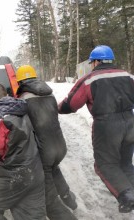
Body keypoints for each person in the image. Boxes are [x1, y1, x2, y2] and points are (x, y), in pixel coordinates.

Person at [58, 45, 134, 213]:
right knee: (125, 162)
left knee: (105, 164)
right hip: (130, 123)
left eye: (92, 62)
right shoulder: (127, 75)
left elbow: (71, 104)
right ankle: (130, 190)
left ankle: (127, 196)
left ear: (97, 62)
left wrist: (56, 108)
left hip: (107, 126)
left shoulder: (90, 79)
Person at [0, 84, 46, 220]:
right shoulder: (24, 110)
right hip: (36, 170)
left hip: (12, 174)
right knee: (32, 215)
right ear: (7, 95)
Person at [15, 65, 78, 220]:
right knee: (54, 169)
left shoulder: (23, 100)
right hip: (60, 147)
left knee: (48, 198)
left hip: (44, 152)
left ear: (21, 82)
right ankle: (70, 200)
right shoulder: (49, 95)